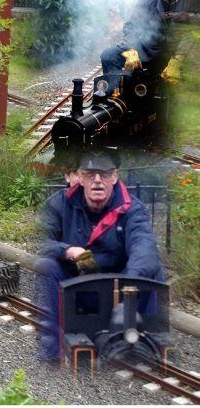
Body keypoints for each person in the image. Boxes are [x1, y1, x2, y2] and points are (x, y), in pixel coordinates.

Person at [35, 150, 165, 361]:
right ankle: (52, 344)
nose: (97, 181)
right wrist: (66, 250)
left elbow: (145, 248)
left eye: (104, 175)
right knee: (47, 266)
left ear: (114, 177)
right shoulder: (58, 204)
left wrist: (128, 285)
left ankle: (145, 339)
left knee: (155, 270)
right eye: (90, 174)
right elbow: (40, 241)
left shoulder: (133, 210)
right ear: (80, 178)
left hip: (118, 289)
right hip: (76, 285)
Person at [100, 0, 190, 96]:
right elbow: (132, 24)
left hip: (173, 56)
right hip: (146, 51)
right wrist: (131, 49)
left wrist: (178, 60)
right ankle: (115, 99)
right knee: (108, 56)